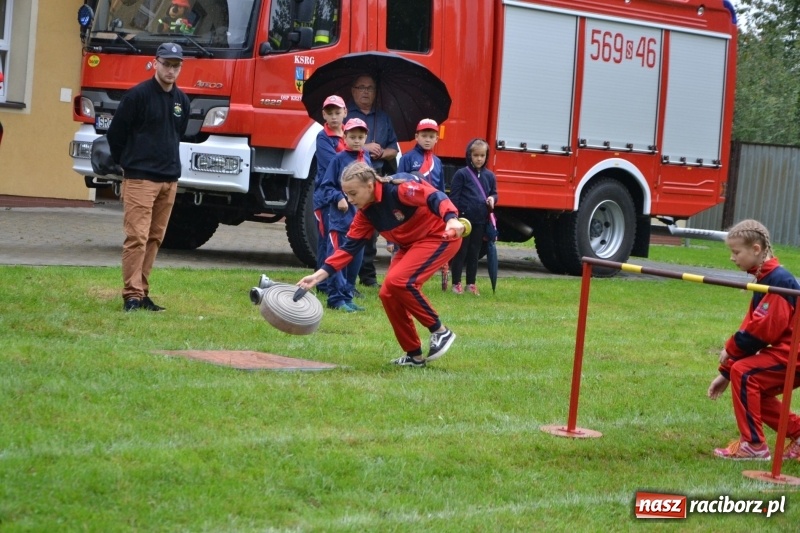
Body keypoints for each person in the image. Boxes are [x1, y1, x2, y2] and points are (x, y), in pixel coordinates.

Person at [297, 162, 465, 367]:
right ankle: (414, 356)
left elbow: (434, 195)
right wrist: (318, 276)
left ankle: (440, 331)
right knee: (388, 293)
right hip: (409, 245)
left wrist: (451, 218)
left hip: (439, 236)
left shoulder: (399, 190)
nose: (349, 200)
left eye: (353, 193)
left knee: (399, 281)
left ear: (370, 185)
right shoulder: (365, 214)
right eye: (346, 194)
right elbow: (348, 249)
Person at [106, 42, 190, 312]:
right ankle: (131, 296)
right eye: (167, 64)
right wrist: (128, 163)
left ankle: (141, 292)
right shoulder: (137, 96)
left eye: (176, 66)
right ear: (156, 63)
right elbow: (115, 135)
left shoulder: (182, 101)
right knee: (137, 237)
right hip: (141, 178)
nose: (171, 70)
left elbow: (177, 134)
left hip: (169, 179)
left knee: (154, 238)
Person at [707, 219, 800, 460]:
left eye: (736, 252)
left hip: (795, 353)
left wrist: (731, 349)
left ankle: (754, 445)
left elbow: (763, 331)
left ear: (756, 249)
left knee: (745, 373)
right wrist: (725, 373)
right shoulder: (765, 278)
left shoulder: (779, 281)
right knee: (752, 384)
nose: (732, 258)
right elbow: (751, 325)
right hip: (788, 351)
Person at [347, 74, 400, 288]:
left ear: (376, 92)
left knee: (371, 230)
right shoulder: (346, 116)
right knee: (351, 227)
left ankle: (368, 277)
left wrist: (382, 152)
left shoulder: (384, 118)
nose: (365, 92)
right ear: (353, 90)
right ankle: (346, 274)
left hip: (375, 178)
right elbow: (340, 143)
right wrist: (365, 147)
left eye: (370, 88)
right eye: (361, 87)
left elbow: (394, 149)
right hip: (351, 178)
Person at [317, 118, 372, 312]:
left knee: (355, 262)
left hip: (360, 224)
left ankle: (347, 296)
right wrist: (339, 197)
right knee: (338, 259)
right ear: (345, 137)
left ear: (366, 138)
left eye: (360, 137)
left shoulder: (366, 158)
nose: (357, 141)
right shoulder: (338, 159)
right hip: (340, 222)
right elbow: (325, 186)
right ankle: (335, 299)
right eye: (352, 137)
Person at [448, 139, 498, 296]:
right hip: (464, 221)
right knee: (461, 251)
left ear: (486, 156)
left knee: (474, 253)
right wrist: (455, 217)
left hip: (480, 220)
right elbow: (454, 197)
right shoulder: (461, 174)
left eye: (482, 155)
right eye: (476, 155)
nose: (479, 159)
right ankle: (456, 283)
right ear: (469, 155)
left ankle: (471, 284)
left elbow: (494, 193)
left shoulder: (490, 176)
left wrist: (493, 199)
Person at [312, 95, 348, 295]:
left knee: (343, 241)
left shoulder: (350, 134)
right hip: (326, 198)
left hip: (346, 196)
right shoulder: (323, 137)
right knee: (327, 240)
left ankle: (343, 283)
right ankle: (323, 284)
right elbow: (335, 166)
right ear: (324, 115)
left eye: (337, 112)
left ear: (345, 112)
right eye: (330, 113)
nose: (334, 117)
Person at [398, 118, 445, 192]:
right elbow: (399, 185)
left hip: (432, 199)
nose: (427, 140)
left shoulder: (437, 162)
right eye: (424, 136)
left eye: (431, 137)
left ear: (436, 139)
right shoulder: (407, 158)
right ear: (416, 137)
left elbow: (441, 190)